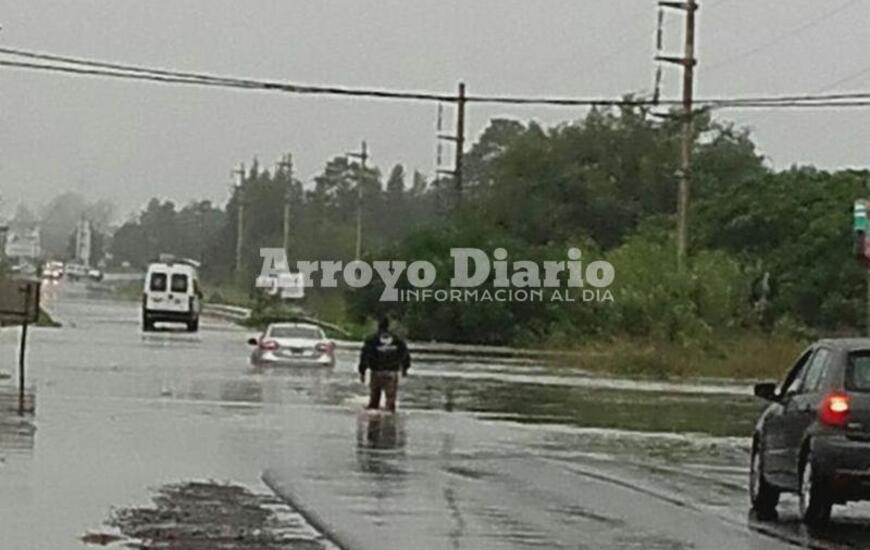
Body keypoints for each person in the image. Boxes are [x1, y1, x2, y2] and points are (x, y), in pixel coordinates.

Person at [358, 316, 411, 412]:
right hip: (391, 373)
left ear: (378, 326)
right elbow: (405, 354)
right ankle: (389, 423)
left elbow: (364, 355)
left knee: (374, 403)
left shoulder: (371, 340)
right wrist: (404, 369)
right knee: (390, 403)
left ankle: (373, 424)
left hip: (376, 372)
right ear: (388, 326)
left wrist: (362, 371)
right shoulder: (397, 340)